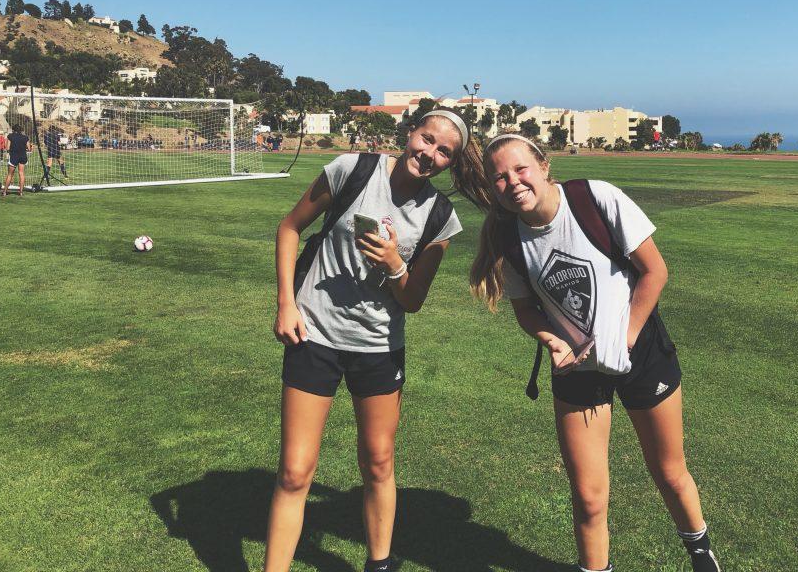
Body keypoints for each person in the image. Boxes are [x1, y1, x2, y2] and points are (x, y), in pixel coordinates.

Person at [470, 134, 721, 572]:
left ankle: (700, 553)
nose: (513, 182)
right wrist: (553, 341)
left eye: (520, 169)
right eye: (500, 178)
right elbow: (526, 310)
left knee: (669, 472)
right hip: (577, 368)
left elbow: (655, 271)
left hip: (641, 351)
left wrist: (624, 337)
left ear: (544, 166)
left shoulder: (594, 199)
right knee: (588, 496)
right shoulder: (509, 237)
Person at [265, 110, 490, 572]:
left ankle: (379, 564)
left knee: (379, 463)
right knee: (294, 472)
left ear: (450, 162)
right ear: (411, 133)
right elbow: (289, 229)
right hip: (314, 335)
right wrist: (287, 303)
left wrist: (394, 262)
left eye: (443, 151)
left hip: (379, 349)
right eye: (426, 140)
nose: (428, 154)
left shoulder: (439, 218)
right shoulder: (353, 169)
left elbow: (412, 301)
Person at [1, 124, 33, 198]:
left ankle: (5, 192)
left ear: (13, 130)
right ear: (21, 130)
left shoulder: (10, 136)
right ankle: (21, 192)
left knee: (10, 174)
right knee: (21, 173)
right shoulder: (25, 137)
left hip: (14, 156)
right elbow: (29, 148)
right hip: (23, 156)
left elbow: (7, 148)